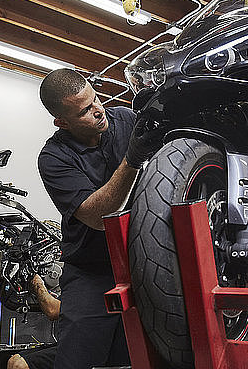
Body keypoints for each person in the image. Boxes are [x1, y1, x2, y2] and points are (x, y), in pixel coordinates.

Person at [36, 68, 162, 369]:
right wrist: (132, 160)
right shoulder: (54, 158)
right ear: (62, 122)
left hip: (144, 262)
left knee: (142, 356)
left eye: (96, 100)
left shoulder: (125, 120)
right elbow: (97, 215)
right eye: (85, 111)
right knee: (79, 358)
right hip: (92, 271)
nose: (97, 111)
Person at [7, 274, 61, 369]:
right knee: (13, 360)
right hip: (68, 342)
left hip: (85, 348)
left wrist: (38, 284)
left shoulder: (89, 282)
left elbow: (52, 310)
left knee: (19, 366)